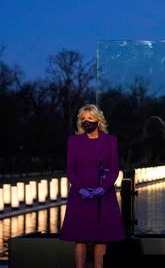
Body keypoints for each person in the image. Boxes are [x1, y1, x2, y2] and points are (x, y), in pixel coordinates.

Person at [59, 104, 126, 268]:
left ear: (98, 120)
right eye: (83, 119)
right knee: (80, 236)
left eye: (90, 118)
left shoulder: (110, 141)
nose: (86, 121)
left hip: (103, 195)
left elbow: (115, 169)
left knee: (101, 237)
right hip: (80, 194)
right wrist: (80, 188)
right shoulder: (74, 141)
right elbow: (70, 169)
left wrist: (102, 188)